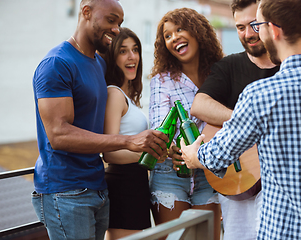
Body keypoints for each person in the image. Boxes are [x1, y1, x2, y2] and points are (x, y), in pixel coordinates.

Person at [181, 0, 301, 239]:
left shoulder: (260, 95)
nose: (255, 32)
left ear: (273, 30)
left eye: (259, 24)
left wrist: (193, 155)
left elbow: (218, 155)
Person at [31, 1, 168, 240]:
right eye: (111, 20)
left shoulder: (98, 63)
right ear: (86, 12)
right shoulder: (57, 64)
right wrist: (128, 141)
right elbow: (59, 135)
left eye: (120, 23)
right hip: (65, 191)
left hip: (98, 187)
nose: (116, 29)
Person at [190, 0, 279, 239]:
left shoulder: (288, 67)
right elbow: (199, 105)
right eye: (240, 27)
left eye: (254, 25)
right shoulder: (229, 66)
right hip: (239, 180)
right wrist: (247, 123)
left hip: (281, 184)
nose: (248, 34)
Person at [148, 7, 224, 240]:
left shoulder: (220, 73)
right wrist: (173, 149)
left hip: (210, 171)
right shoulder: (161, 81)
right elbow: (160, 128)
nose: (174, 38)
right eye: (167, 36)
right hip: (170, 172)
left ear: (197, 32)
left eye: (180, 29)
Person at [101, 27, 151, 239]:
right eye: (123, 51)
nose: (132, 57)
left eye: (135, 49)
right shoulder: (114, 94)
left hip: (135, 183)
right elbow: (109, 153)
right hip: (123, 185)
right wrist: (152, 154)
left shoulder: (128, 97)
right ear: (112, 58)